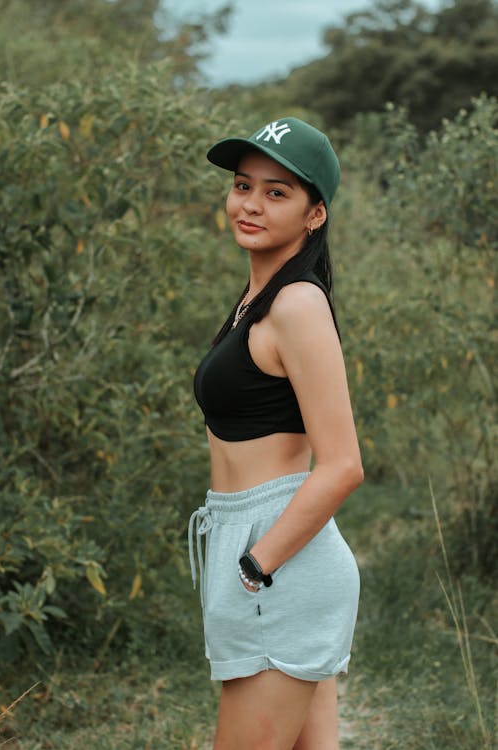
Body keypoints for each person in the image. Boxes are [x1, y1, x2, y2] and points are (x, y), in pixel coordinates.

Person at [189, 117, 364, 750]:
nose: (250, 205)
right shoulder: (259, 297)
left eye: (277, 192)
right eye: (243, 186)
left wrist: (256, 566)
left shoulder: (296, 305)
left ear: (315, 214)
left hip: (276, 557)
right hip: (262, 548)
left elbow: (342, 463)